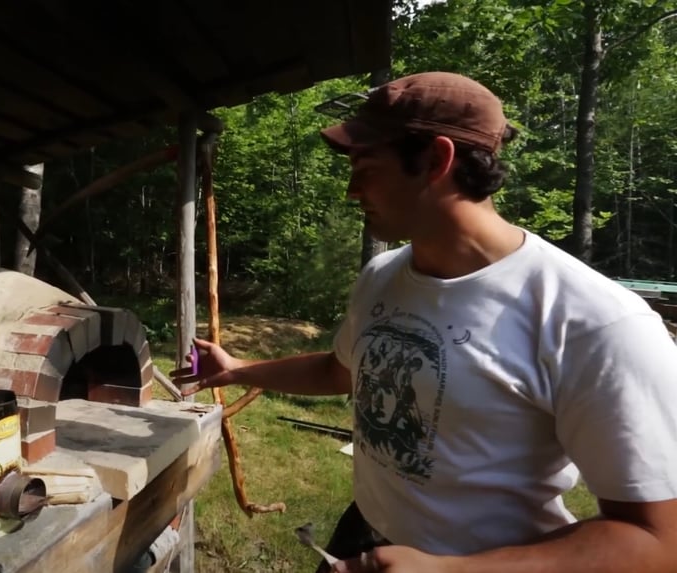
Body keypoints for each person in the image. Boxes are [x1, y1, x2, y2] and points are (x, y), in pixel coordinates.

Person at [172, 71, 677, 572]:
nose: (351, 191)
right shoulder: (383, 275)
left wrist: (449, 570)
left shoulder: (596, 322)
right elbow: (342, 370)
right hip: (361, 536)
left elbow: (659, 541)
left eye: (367, 169)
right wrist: (237, 369)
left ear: (437, 160)